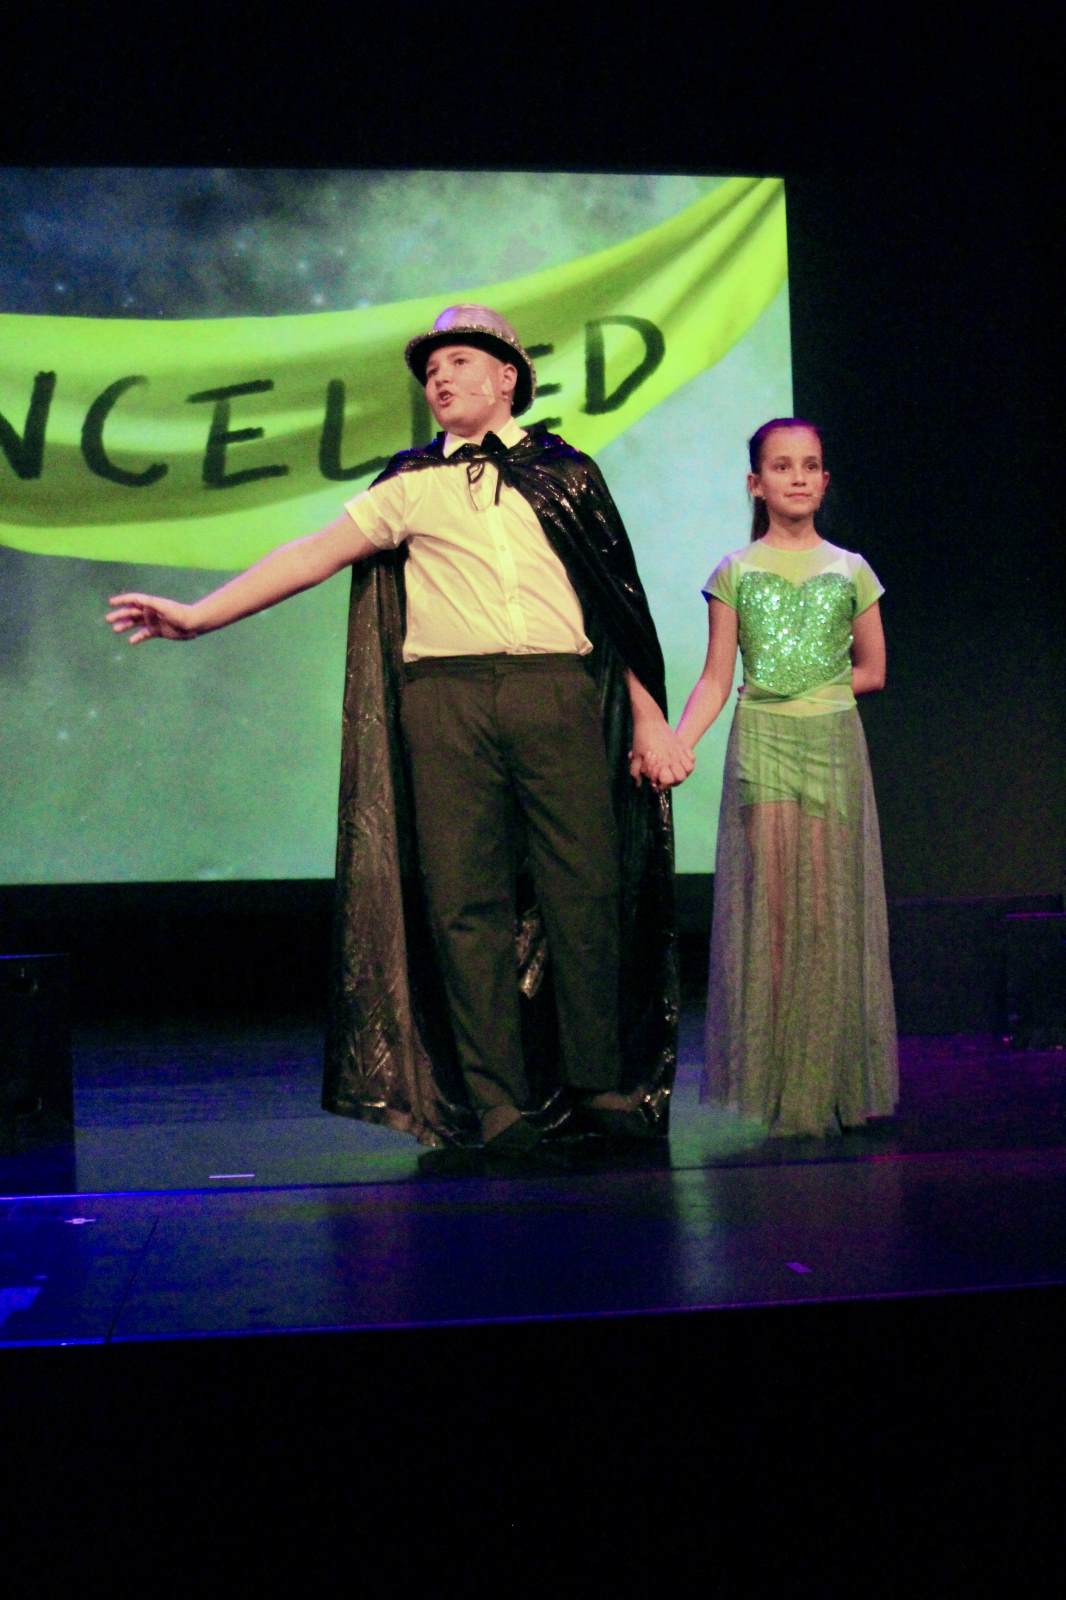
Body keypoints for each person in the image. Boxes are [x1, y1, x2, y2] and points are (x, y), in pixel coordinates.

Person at [107, 305, 691, 1173]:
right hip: (445, 699)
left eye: (459, 362)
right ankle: (498, 1101)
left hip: (553, 690)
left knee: (586, 886)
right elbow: (311, 553)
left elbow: (619, 604)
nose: (440, 379)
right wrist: (200, 616)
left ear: (506, 377)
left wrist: (648, 718)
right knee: (465, 899)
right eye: (431, 370)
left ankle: (599, 1083)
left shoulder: (567, 474)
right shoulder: (411, 484)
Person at [655, 418, 897, 1137]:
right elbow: (714, 679)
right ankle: (787, 1087)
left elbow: (873, 670)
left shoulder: (851, 570)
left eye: (810, 465)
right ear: (755, 484)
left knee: (826, 908)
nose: (797, 477)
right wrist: (677, 745)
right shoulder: (734, 571)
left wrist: (810, 687)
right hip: (762, 742)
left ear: (824, 480)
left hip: (829, 742)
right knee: (776, 914)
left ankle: (830, 1081)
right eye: (782, 466)